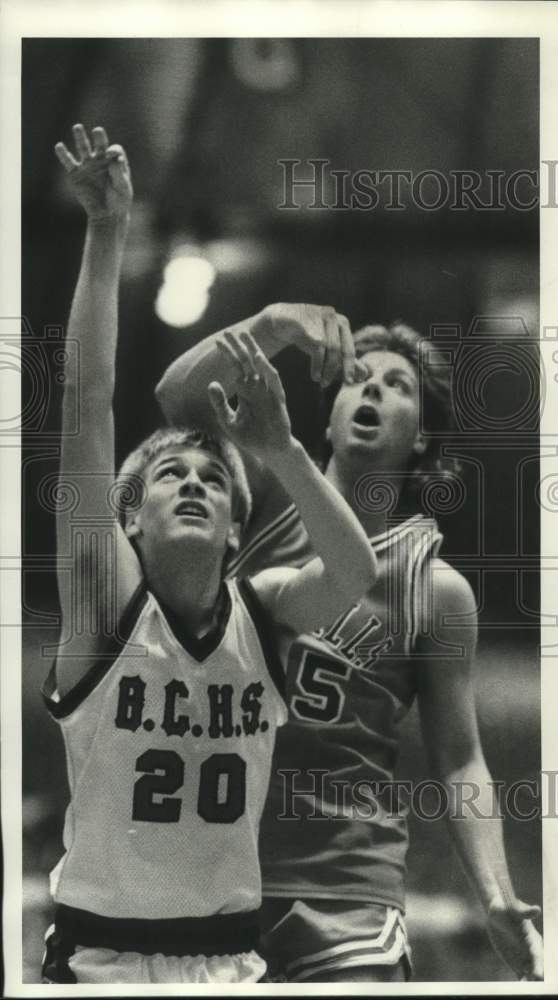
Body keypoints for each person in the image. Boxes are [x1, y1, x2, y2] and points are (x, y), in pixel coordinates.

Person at [43, 126, 377, 985]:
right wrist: (108, 231)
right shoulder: (104, 603)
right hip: (100, 959)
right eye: (168, 475)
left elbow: (354, 576)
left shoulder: (259, 613)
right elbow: (87, 398)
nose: (192, 484)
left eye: (213, 480)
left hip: (230, 960)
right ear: (130, 519)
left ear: (236, 528)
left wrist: (286, 454)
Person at [157, 304, 545, 982]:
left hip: (346, 890)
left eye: (397, 385)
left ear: (423, 437)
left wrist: (495, 894)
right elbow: (180, 394)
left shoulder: (437, 589)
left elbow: (459, 758)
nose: (371, 389)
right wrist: (275, 324)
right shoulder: (259, 495)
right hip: (212, 865)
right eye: (356, 378)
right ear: (329, 415)